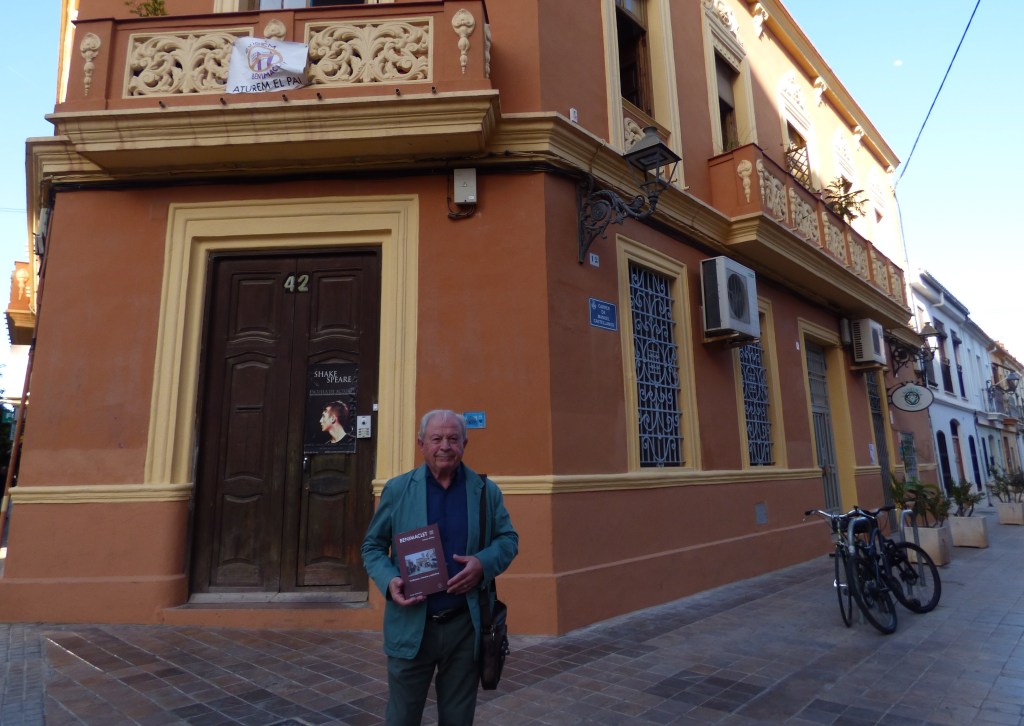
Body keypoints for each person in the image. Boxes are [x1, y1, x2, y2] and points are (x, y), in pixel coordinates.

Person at [362, 409, 518, 725]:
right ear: (421, 444)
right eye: (436, 439)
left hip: (465, 626)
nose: (444, 446)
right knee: (402, 716)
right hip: (411, 624)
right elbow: (372, 547)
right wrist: (391, 581)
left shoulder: (486, 492)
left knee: (458, 718)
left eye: (452, 438)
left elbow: (508, 540)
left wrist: (482, 564)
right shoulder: (398, 490)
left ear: (465, 443)